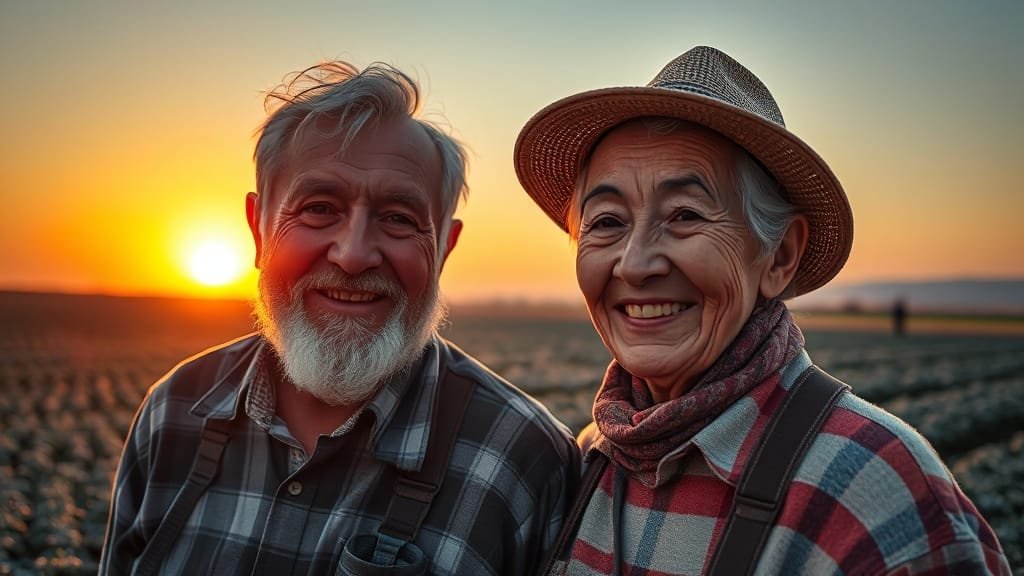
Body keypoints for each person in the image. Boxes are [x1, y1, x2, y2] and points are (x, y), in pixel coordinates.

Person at [515, 46, 1010, 575]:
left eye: (685, 214)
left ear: (779, 256)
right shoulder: (591, 461)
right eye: (607, 221)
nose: (634, 265)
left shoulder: (878, 492)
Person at [100, 60, 579, 575]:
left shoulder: (523, 460)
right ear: (258, 231)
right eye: (318, 208)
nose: (353, 256)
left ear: (444, 249)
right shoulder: (174, 410)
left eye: (399, 218)